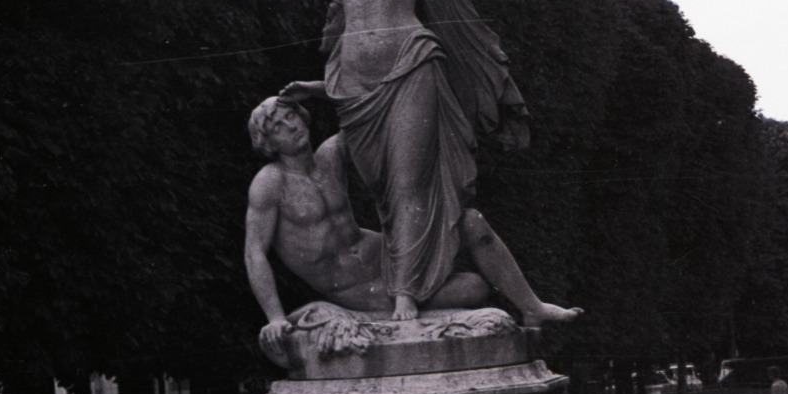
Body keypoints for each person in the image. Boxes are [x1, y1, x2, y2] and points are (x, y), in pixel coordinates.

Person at [263, 0, 576, 325]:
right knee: (386, 196)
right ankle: (421, 281)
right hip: (356, 88)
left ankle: (406, 295)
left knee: (409, 185)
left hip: (410, 67)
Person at [243, 96, 571, 358]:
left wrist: (317, 88)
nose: (290, 126)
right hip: (358, 290)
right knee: (474, 288)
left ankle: (532, 306)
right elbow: (255, 252)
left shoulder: (329, 155)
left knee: (471, 221)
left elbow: (369, 108)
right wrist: (275, 317)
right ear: (267, 142)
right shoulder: (270, 183)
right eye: (277, 127)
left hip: (391, 257)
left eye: (292, 116)